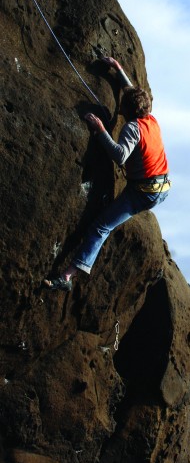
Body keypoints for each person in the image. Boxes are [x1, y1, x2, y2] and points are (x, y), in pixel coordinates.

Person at [44, 57, 171, 291]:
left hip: (145, 192)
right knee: (107, 217)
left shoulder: (133, 128)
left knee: (101, 226)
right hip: (162, 187)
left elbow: (120, 156)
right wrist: (119, 68)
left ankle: (68, 277)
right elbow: (132, 91)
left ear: (125, 109)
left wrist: (101, 130)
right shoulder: (151, 119)